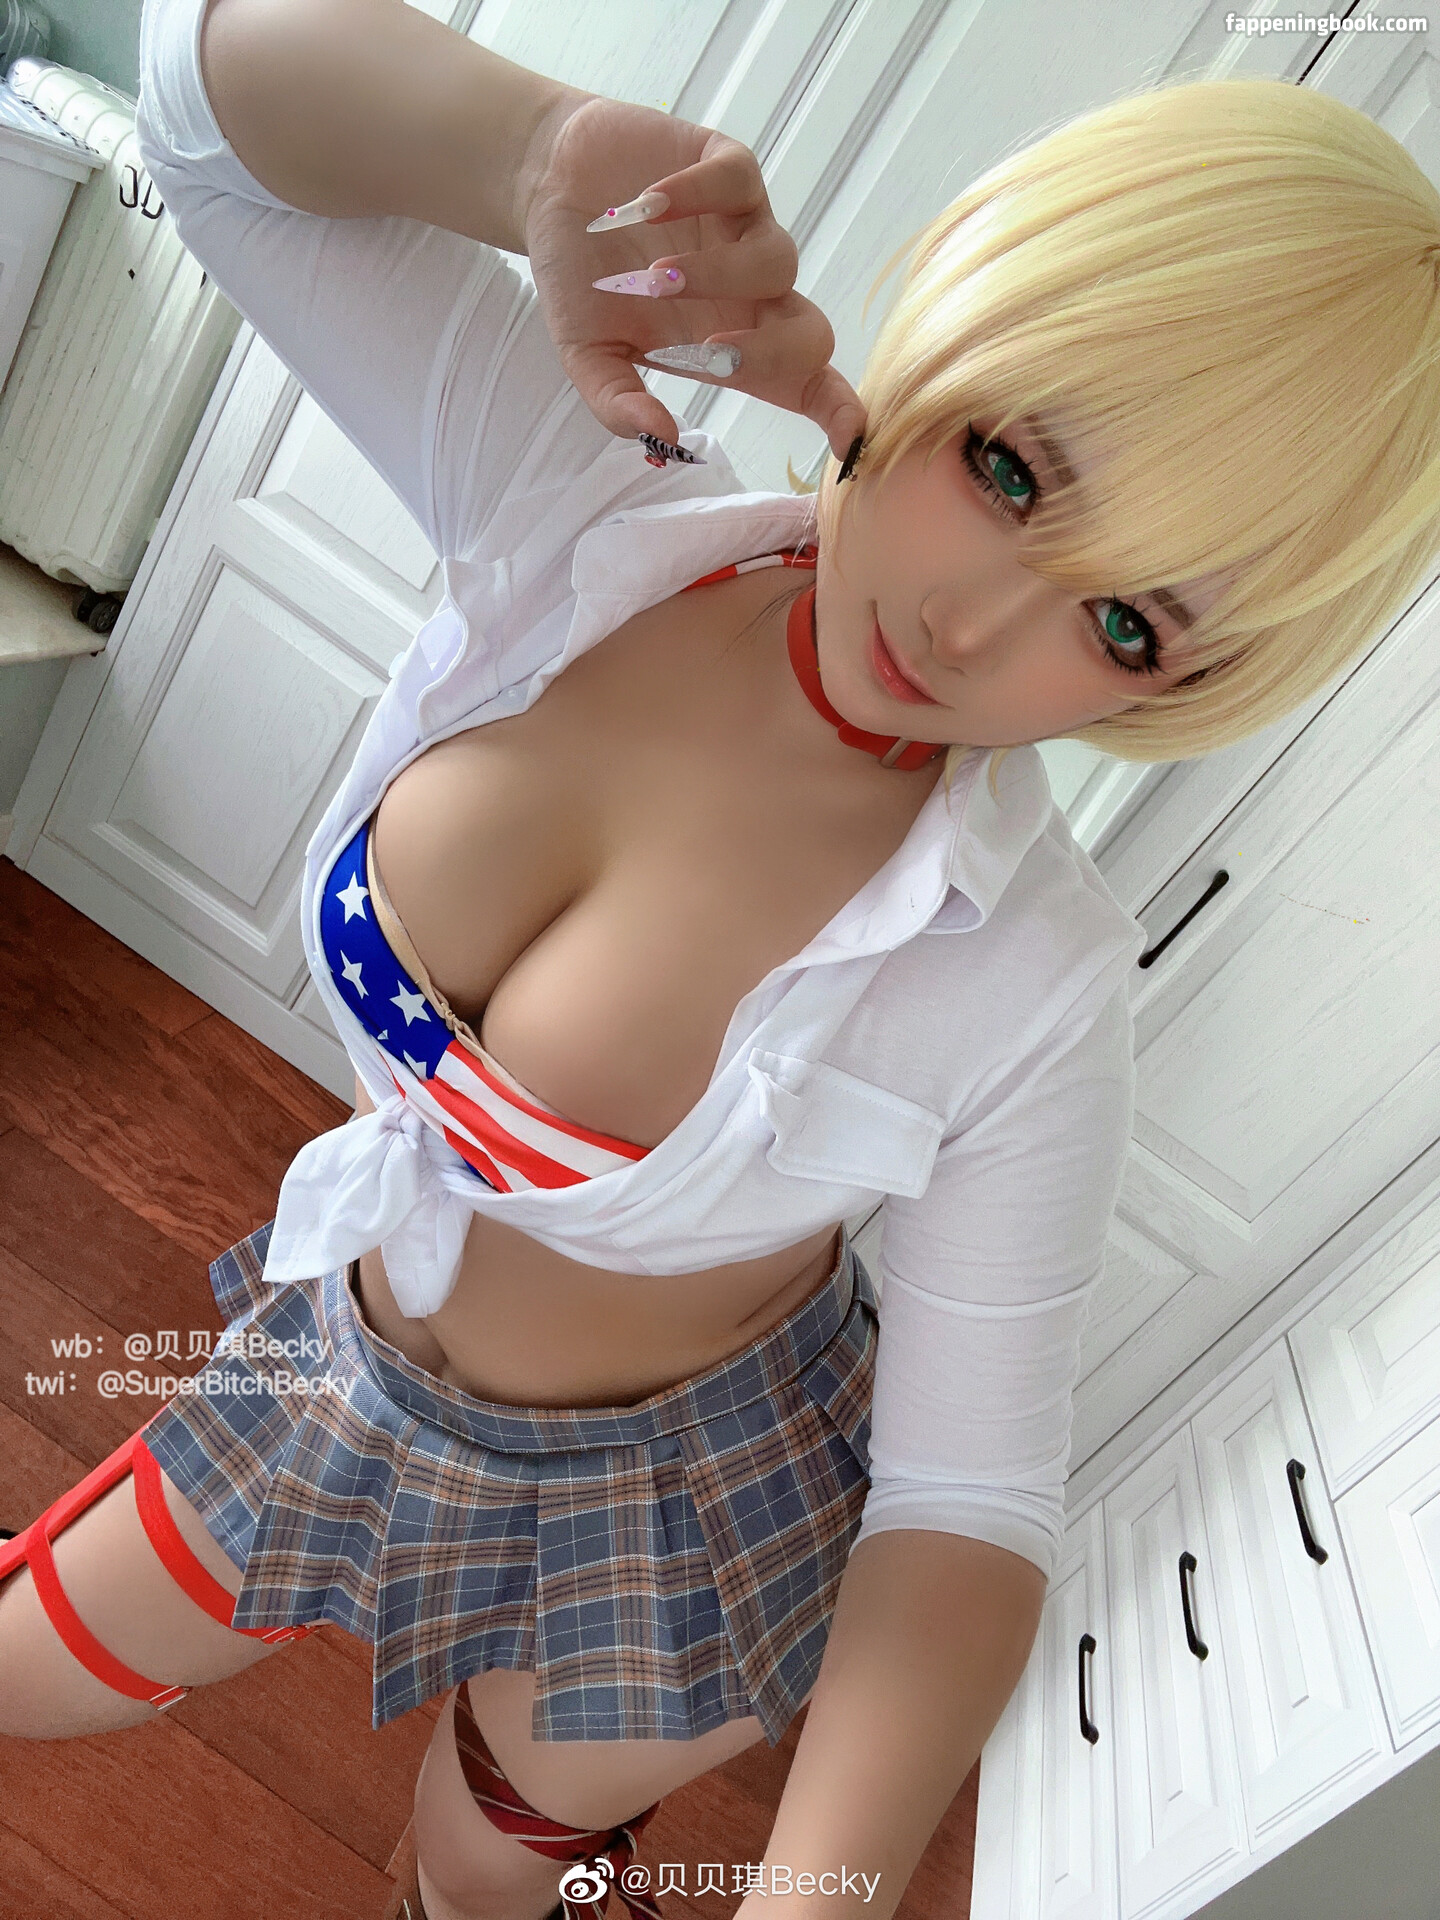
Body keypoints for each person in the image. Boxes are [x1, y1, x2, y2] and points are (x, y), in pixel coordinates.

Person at [4, 2, 1440, 1918]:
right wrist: (524, 151)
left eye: (1123, 625)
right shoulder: (585, 503)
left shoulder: (1027, 985)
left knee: (478, 1874)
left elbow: (969, 1500)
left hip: (690, 1510)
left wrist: (816, 1905)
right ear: (963, 324)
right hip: (349, 1361)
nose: (968, 621)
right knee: (29, 1668)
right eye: (1011, 469)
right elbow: (202, 118)